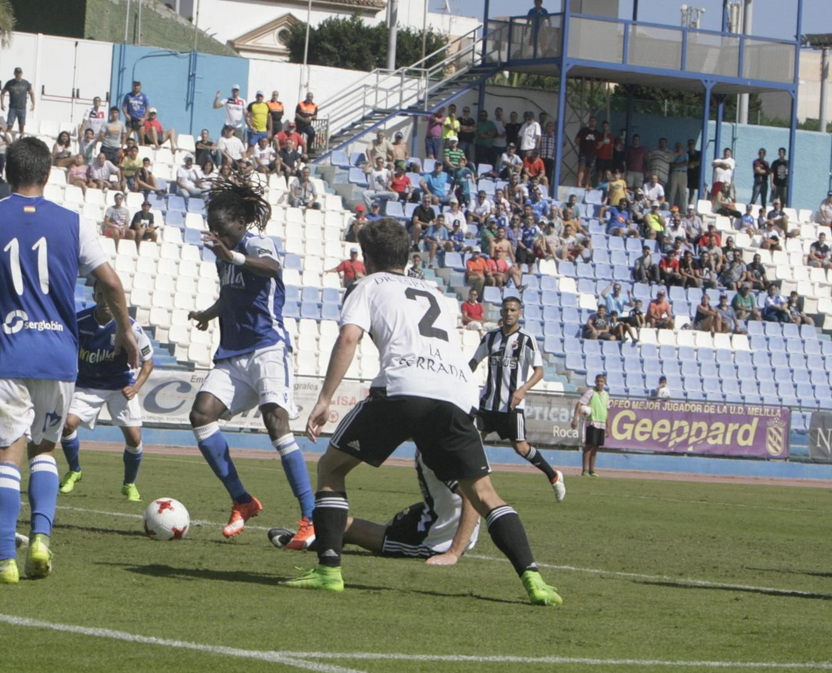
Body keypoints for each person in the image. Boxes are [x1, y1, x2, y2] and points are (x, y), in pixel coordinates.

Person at [287, 217, 562, 603]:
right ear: (407, 254)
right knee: (484, 494)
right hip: (455, 393)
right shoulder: (433, 290)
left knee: (331, 468)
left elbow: (350, 337)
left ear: (366, 257)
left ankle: (328, 570)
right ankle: (534, 580)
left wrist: (324, 398)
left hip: (403, 387)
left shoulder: (366, 285)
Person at [0, 137, 138, 583]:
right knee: (45, 450)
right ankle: (41, 537)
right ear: (48, 175)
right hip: (59, 356)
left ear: (6, 174)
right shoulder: (73, 222)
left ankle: (5, 560)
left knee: (6, 457)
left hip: (8, 353)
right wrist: (124, 329)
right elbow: (113, 283)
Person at [186, 178, 316, 547]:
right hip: (232, 352)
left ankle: (310, 516)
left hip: (266, 347)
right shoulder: (222, 253)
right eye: (213, 230)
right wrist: (209, 314)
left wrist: (234, 255)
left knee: (276, 420)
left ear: (241, 223)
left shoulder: (257, 243)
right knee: (200, 416)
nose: (217, 236)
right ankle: (242, 500)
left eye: (223, 229)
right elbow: (231, 293)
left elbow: (270, 267)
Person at [268, 452, 481, 567]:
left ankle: (305, 541)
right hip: (438, 523)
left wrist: (453, 552)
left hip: (434, 540)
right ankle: (317, 537)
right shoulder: (450, 439)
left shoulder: (438, 449)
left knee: (344, 525)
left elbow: (472, 499)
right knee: (394, 523)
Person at [58, 287, 156, 501]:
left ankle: (129, 484)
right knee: (67, 425)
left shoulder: (130, 326)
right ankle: (74, 470)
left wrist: (136, 386)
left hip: (120, 385)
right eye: (100, 294)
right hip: (86, 385)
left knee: (134, 438)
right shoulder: (79, 321)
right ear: (94, 296)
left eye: (109, 295)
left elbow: (149, 361)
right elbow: (61, 348)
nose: (104, 300)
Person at [471, 296, 566, 501]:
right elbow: (473, 362)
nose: (509, 313)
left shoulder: (526, 339)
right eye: (506, 310)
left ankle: (554, 476)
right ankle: (467, 483)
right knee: (472, 439)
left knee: (521, 448)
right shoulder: (490, 337)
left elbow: (539, 371)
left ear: (520, 313)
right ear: (501, 312)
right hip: (487, 404)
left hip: (512, 406)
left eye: (513, 310)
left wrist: (522, 389)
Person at [576, 373, 610, 477]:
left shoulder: (606, 394)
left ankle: (592, 470)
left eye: (601, 381)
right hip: (592, 422)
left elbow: (606, 410)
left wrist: (607, 426)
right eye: (598, 381)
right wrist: (575, 418)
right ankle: (585, 470)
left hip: (601, 423)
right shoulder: (591, 392)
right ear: (595, 382)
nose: (600, 383)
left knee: (596, 447)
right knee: (589, 446)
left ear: (604, 383)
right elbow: (580, 403)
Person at [0, 67, 34, 134]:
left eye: (19, 73)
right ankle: (7, 140)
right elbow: (2, 93)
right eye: (16, 73)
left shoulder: (26, 83)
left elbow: (32, 93)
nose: (18, 74)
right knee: (9, 126)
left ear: (22, 73)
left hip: (22, 108)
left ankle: (21, 141)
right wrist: (2, 103)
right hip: (12, 108)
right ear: (14, 73)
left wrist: (33, 104)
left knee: (21, 127)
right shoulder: (10, 83)